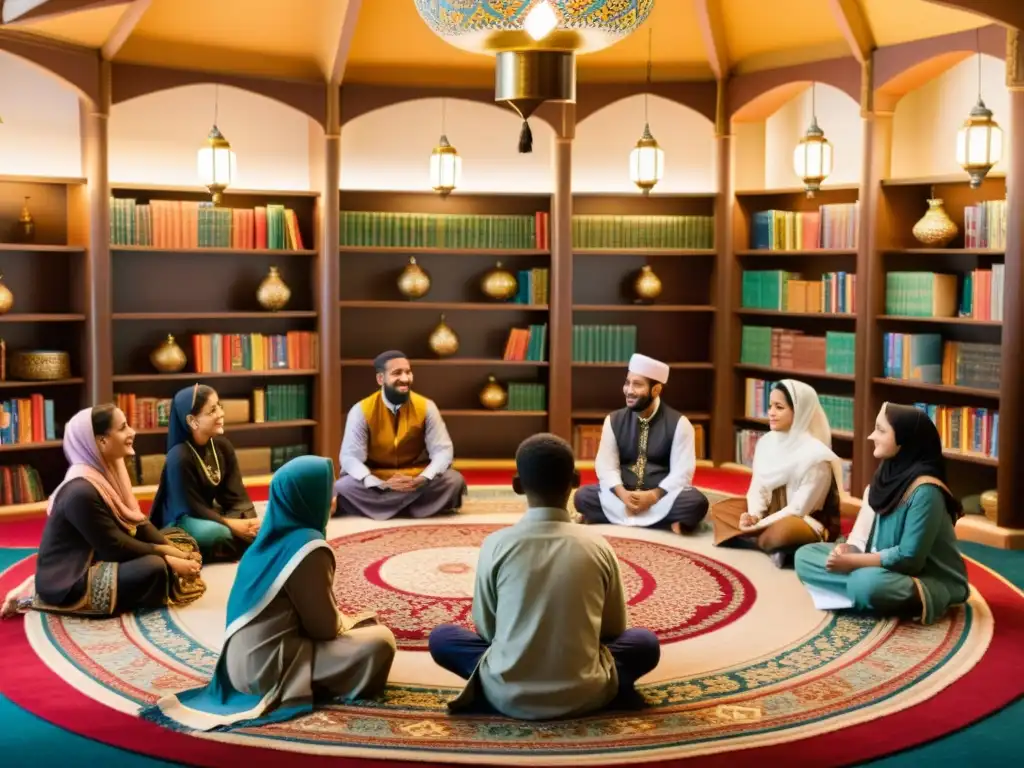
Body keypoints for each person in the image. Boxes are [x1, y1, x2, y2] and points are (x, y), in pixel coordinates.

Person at [143, 455, 396, 730]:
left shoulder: (269, 537)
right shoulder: (308, 548)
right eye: (328, 491)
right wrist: (346, 623)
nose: (333, 499)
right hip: (266, 671)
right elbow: (323, 628)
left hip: (238, 666)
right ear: (308, 495)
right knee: (380, 641)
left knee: (363, 622)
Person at [428, 433, 661, 721]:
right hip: (588, 689)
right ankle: (607, 690)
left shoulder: (497, 544)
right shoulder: (598, 545)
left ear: (517, 486)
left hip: (505, 692)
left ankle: (492, 690)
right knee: (643, 643)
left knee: (442, 638)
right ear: (576, 481)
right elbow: (613, 629)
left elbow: (488, 631)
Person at [2, 406, 203, 619]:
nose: (132, 433)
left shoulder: (111, 472)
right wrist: (168, 557)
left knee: (181, 540)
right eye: (123, 428)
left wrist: (174, 550)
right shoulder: (81, 491)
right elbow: (114, 546)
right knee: (155, 567)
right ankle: (40, 599)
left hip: (103, 554)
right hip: (71, 578)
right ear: (102, 442)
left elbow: (137, 522)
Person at [794, 403, 969, 625]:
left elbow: (909, 559)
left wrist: (854, 562)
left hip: (921, 576)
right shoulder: (884, 475)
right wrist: (848, 550)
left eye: (881, 430)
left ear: (905, 438)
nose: (871, 436)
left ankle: (876, 593)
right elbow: (861, 536)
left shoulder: (926, 492)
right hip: (877, 565)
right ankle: (860, 592)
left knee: (865, 584)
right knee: (805, 557)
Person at [709, 379, 844, 568]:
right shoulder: (766, 443)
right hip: (768, 516)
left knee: (781, 533)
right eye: (770, 406)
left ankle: (762, 541)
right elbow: (758, 487)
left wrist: (757, 526)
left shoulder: (817, 458)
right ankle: (770, 546)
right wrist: (753, 515)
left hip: (803, 521)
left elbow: (799, 509)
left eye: (779, 407)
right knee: (720, 511)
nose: (771, 412)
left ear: (799, 412)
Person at [573, 353, 709, 534]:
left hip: (661, 497)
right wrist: (622, 494)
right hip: (623, 496)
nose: (629, 390)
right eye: (627, 383)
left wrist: (653, 496)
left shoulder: (679, 424)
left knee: (696, 502)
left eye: (637, 384)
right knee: (582, 497)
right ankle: (666, 523)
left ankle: (610, 517)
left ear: (656, 390)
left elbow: (682, 473)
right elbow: (606, 467)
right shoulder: (614, 420)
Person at [335, 350, 466, 520]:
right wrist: (378, 484)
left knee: (453, 481)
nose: (405, 379)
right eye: (397, 373)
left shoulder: (426, 406)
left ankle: (380, 508)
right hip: (377, 477)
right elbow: (350, 458)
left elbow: (442, 451)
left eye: (408, 372)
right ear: (380, 379)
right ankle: (417, 507)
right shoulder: (361, 410)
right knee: (343, 486)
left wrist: (423, 478)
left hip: (415, 477)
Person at [148, 384, 259, 562]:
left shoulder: (222, 446)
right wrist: (233, 525)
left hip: (209, 513)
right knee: (219, 533)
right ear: (192, 421)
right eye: (212, 410)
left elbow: (237, 496)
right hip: (183, 520)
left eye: (219, 406)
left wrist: (249, 520)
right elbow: (192, 508)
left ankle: (236, 544)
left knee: (257, 522)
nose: (221, 414)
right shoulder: (179, 456)